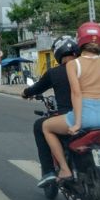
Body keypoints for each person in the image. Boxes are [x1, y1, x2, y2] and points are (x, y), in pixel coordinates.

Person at [42, 22, 100, 182]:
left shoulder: (73, 64)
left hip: (86, 116)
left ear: (80, 41)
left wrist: (77, 123)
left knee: (46, 126)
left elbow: (76, 94)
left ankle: (64, 169)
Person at [22, 35, 79, 187]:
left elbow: (36, 88)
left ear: (58, 54)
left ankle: (49, 171)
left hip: (70, 118)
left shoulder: (54, 73)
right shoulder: (87, 68)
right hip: (96, 117)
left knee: (39, 126)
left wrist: (26, 93)